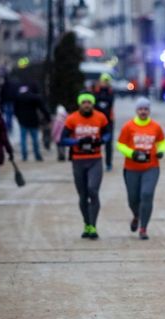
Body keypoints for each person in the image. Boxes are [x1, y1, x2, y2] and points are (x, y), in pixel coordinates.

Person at [59, 93, 110, 239]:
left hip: (95, 159)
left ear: (93, 104)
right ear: (79, 104)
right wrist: (77, 142)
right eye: (84, 102)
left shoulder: (100, 117)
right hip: (78, 160)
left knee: (93, 190)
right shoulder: (72, 119)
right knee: (83, 195)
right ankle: (86, 223)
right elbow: (62, 139)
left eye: (89, 102)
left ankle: (93, 226)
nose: (86, 105)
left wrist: (101, 140)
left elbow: (108, 134)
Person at [116, 97, 165, 240]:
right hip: (131, 168)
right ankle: (136, 215)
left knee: (146, 194)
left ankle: (143, 228)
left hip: (151, 167)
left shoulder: (156, 126)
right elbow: (120, 144)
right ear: (136, 110)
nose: (143, 111)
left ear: (149, 110)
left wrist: (161, 151)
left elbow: (163, 142)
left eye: (145, 109)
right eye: (140, 109)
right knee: (133, 199)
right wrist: (131, 153)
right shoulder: (128, 126)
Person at [14, 82, 51, 161]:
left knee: (23, 139)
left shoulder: (19, 97)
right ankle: (37, 155)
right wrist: (48, 118)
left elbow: (15, 110)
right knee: (35, 139)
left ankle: (24, 156)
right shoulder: (35, 98)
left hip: (23, 120)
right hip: (33, 120)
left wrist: (18, 118)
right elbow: (43, 109)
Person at [93, 73, 115, 171]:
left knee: (108, 143)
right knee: (95, 141)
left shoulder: (111, 92)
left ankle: (108, 163)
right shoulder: (96, 91)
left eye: (107, 81)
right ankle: (94, 161)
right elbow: (95, 103)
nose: (105, 83)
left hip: (109, 121)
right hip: (96, 121)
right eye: (104, 81)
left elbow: (109, 102)